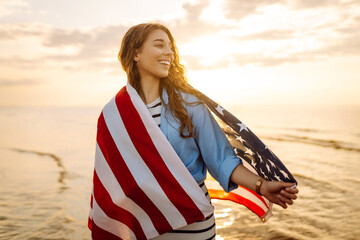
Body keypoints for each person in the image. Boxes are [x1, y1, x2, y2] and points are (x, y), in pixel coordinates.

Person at [90, 23, 298, 240]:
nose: (169, 52)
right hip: (145, 225)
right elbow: (109, 181)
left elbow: (221, 159)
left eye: (170, 47)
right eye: (159, 45)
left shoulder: (188, 104)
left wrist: (262, 185)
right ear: (135, 54)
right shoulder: (113, 113)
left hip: (193, 223)